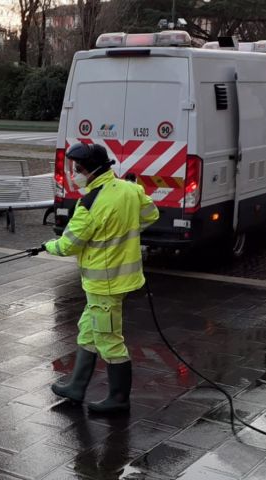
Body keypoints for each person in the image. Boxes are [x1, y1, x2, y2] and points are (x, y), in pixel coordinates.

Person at [30, 143, 158, 414]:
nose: (74, 174)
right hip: (123, 278)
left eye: (77, 169)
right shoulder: (130, 189)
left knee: (109, 338)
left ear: (90, 171)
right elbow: (151, 214)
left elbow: (68, 245)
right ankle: (76, 387)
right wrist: (125, 228)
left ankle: (119, 399)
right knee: (89, 330)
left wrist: (48, 246)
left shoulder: (89, 204)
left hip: (105, 283)